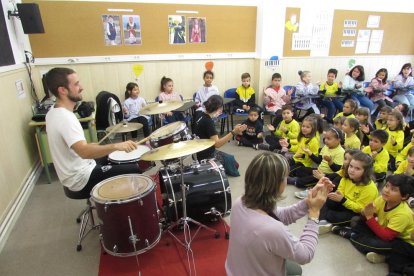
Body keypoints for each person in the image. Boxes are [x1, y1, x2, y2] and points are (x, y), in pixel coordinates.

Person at [225, 152, 332, 276]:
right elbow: (305, 254)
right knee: (295, 270)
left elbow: (282, 215)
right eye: (285, 177)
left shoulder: (241, 202)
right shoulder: (272, 230)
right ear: (277, 183)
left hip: (235, 270)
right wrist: (314, 215)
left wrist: (308, 202)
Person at [44, 68, 140, 197]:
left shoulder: (52, 111)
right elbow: (84, 152)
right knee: (135, 168)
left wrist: (96, 147)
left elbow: (76, 148)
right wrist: (116, 145)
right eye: (76, 84)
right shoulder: (66, 118)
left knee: (119, 158)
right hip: (81, 179)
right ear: (62, 90)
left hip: (75, 171)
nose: (81, 87)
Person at [332, 174, 414, 265]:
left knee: (377, 244)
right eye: (386, 186)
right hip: (383, 230)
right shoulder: (382, 199)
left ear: (404, 196)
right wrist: (365, 212)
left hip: (400, 242)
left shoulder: (403, 214)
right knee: (357, 220)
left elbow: (387, 236)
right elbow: (369, 216)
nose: (387, 190)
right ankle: (382, 254)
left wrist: (370, 217)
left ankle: (351, 235)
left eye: (393, 189)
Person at [318, 152, 378, 233]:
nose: (352, 170)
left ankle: (324, 217)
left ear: (366, 172)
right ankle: (323, 221)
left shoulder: (370, 188)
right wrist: (334, 194)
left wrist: (343, 200)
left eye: (357, 169)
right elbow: (340, 190)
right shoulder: (346, 178)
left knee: (338, 216)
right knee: (325, 199)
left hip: (355, 211)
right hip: (343, 202)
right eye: (351, 166)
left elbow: (361, 209)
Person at [193, 95, 245, 176]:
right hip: (207, 155)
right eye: (221, 108)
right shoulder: (208, 122)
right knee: (235, 165)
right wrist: (234, 132)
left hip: (198, 152)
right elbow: (217, 144)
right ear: (216, 108)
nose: (221, 111)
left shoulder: (199, 114)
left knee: (231, 161)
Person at [293, 127, 345, 195]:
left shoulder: (341, 152)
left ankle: (308, 185)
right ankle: (312, 184)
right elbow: (318, 161)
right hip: (318, 170)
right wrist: (310, 153)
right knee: (300, 170)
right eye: (325, 138)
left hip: (326, 175)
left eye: (329, 139)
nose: (325, 140)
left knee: (300, 182)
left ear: (338, 140)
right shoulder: (326, 147)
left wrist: (330, 161)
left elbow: (337, 170)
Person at [285, 116, 319, 185]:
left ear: (313, 129)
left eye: (307, 127)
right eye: (303, 126)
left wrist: (303, 156)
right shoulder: (302, 137)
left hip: (303, 163)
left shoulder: (314, 141)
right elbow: (297, 148)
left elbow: (314, 157)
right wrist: (288, 145)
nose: (304, 128)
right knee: (284, 167)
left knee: (287, 172)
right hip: (295, 159)